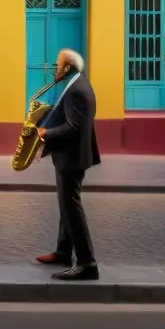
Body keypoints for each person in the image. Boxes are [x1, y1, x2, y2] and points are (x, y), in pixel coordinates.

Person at [32, 48, 101, 281]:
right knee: (66, 207)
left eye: (57, 65)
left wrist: (45, 133)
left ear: (67, 68)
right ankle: (63, 252)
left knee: (72, 209)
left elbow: (74, 127)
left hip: (72, 158)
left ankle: (87, 263)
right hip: (70, 156)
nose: (55, 69)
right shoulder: (76, 84)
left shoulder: (77, 90)